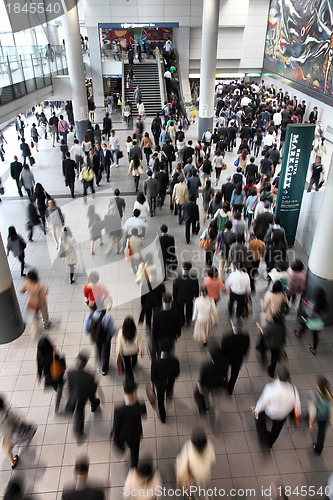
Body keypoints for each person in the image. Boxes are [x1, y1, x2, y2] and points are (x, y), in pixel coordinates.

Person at [253, 364, 301, 449]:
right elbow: (297, 406)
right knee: (277, 429)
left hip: (271, 412)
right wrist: (297, 417)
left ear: (277, 376)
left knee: (260, 418)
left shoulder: (270, 388)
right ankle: (270, 442)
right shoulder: (293, 389)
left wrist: (256, 410)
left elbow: (263, 402)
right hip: (282, 414)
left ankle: (264, 435)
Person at [111, 380, 147, 468]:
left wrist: (114, 434)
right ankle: (134, 468)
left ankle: (122, 449)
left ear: (123, 391)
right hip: (136, 433)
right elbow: (144, 414)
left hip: (123, 434)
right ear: (135, 392)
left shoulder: (118, 410)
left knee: (123, 444)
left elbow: (116, 426)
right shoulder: (140, 406)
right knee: (135, 453)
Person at [66, 353, 100, 439]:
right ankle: (94, 406)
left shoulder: (70, 372)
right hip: (85, 394)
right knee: (83, 408)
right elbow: (92, 388)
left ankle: (78, 429)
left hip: (75, 394)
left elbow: (70, 385)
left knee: (78, 409)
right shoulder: (89, 376)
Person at [0, 395, 36, 469]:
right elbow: (19, 420)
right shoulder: (8, 414)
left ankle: (13, 462)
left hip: (5, 436)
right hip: (13, 433)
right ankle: (28, 437)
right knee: (24, 434)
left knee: (7, 450)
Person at [197, 348, 228, 430]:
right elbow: (225, 377)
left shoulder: (206, 365)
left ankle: (207, 406)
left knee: (206, 397)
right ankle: (217, 424)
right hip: (217, 387)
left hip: (207, 386)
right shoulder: (225, 364)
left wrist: (199, 385)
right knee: (217, 406)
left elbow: (202, 378)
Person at [151, 337, 180, 423]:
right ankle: (169, 394)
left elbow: (153, 377)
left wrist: (152, 386)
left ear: (160, 348)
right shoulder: (175, 361)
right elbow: (177, 373)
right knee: (169, 389)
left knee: (160, 400)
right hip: (170, 382)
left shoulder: (155, 362)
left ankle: (163, 417)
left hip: (160, 385)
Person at [84, 301, 115, 376]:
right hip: (105, 338)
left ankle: (99, 361)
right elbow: (111, 330)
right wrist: (111, 335)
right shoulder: (107, 316)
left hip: (96, 337)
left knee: (98, 348)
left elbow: (86, 330)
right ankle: (104, 369)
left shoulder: (89, 316)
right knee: (106, 352)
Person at [37, 336, 66, 414]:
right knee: (60, 384)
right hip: (57, 375)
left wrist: (39, 376)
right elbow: (60, 363)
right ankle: (57, 404)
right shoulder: (53, 355)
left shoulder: (39, 354)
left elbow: (39, 366)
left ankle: (58, 390)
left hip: (49, 376)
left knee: (56, 386)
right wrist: (63, 358)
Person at [295, 287, 328, 355]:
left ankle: (299, 333)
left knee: (304, 325)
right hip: (319, 322)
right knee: (315, 335)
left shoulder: (313, 303)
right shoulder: (325, 304)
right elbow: (325, 314)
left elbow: (309, 313)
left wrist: (305, 305)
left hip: (311, 320)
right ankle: (314, 349)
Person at [221, 319, 250, 394]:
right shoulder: (246, 337)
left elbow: (223, 350)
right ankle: (230, 389)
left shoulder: (227, 338)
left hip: (227, 358)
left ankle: (223, 383)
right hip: (238, 359)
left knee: (224, 372)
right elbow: (246, 349)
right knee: (234, 374)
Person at [19, 269, 50, 336]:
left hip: (32, 302)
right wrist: (46, 292)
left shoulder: (27, 283)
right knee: (44, 313)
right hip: (41, 302)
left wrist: (28, 291)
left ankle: (35, 326)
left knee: (35, 316)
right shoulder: (39, 285)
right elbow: (42, 296)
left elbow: (21, 291)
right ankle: (46, 324)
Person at [256, 312, 287, 378]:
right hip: (278, 345)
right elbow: (283, 336)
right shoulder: (283, 327)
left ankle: (263, 359)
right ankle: (271, 372)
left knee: (262, 349)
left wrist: (260, 327)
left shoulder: (270, 326)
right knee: (274, 358)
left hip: (269, 344)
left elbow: (264, 335)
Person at [308, 376, 333, 455]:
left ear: (317, 384)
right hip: (326, 416)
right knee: (321, 432)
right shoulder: (330, 393)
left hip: (318, 415)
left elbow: (312, 411)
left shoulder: (314, 395)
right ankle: (319, 449)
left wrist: (310, 423)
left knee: (308, 415)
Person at [152, 292, 182, 357]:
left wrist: (154, 337)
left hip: (160, 336)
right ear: (172, 300)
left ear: (162, 300)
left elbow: (155, 327)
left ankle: (161, 357)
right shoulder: (176, 313)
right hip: (171, 335)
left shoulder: (157, 312)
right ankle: (170, 357)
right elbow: (179, 324)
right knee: (171, 348)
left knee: (161, 348)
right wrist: (178, 333)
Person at [116, 316, 144, 383]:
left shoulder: (121, 333)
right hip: (134, 350)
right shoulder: (136, 332)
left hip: (126, 352)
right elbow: (140, 343)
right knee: (134, 358)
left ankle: (129, 377)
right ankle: (133, 365)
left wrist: (118, 353)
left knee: (127, 364)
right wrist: (142, 351)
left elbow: (119, 345)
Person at [173, 261, 199, 327]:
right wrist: (196, 296)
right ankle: (188, 320)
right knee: (189, 308)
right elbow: (196, 288)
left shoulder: (177, 278)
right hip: (189, 297)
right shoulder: (194, 277)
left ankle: (181, 321)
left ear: (182, 268)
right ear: (190, 268)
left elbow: (175, 290)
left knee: (180, 309)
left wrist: (174, 298)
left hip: (179, 298)